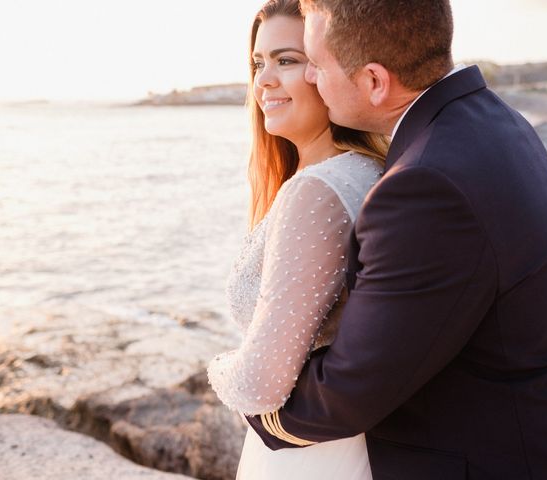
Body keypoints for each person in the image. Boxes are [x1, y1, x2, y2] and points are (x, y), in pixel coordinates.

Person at [243, 1, 547, 479]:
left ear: (374, 81)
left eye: (316, 65)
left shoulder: (426, 184)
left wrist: (254, 402)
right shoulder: (494, 122)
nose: (310, 78)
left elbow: (351, 389)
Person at [206, 0, 388, 478]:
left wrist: (222, 364)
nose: (264, 80)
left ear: (329, 70)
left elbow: (260, 384)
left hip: (309, 457)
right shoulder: (369, 173)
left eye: (286, 60)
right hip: (335, 445)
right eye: (258, 63)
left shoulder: (318, 190)